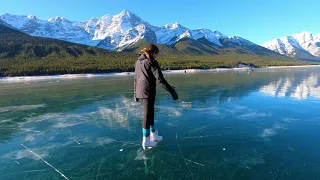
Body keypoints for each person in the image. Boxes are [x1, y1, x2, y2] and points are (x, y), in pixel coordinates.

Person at [134, 44, 178, 150]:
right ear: (154, 52)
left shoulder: (138, 61)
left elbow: (135, 78)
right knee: (147, 114)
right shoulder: (152, 62)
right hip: (147, 91)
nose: (156, 56)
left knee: (151, 112)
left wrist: (135, 93)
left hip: (142, 91)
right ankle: (146, 140)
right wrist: (172, 91)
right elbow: (160, 79)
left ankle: (153, 134)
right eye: (156, 54)